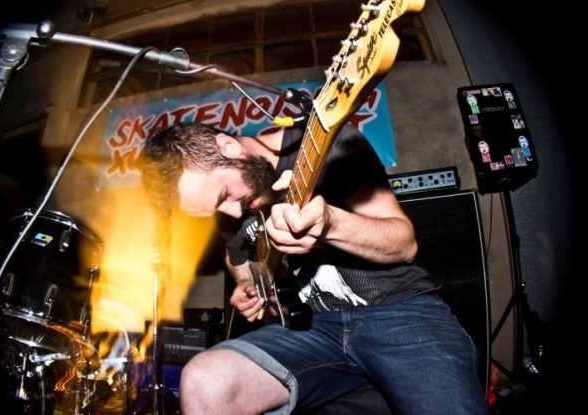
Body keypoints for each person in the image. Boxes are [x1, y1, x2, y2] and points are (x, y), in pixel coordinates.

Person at [141, 122, 487, 414]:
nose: (232, 212)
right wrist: (248, 285)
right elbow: (236, 256)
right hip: (308, 331)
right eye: (217, 210)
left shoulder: (325, 143)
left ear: (227, 146)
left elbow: (404, 243)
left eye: (225, 195)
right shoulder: (231, 210)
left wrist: (331, 223)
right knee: (203, 380)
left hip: (397, 309)